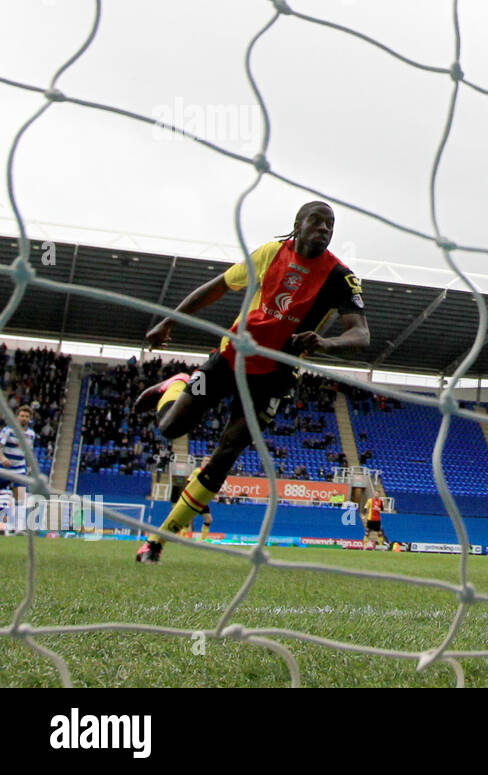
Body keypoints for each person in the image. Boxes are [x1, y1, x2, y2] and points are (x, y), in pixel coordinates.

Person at [131, 201, 370, 563]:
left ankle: (157, 541)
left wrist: (325, 342)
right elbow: (217, 287)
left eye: (330, 224)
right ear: (298, 224)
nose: (324, 229)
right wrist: (169, 322)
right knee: (170, 427)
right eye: (316, 222)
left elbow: (361, 335)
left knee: (226, 453)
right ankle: (176, 383)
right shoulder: (270, 254)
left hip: (274, 378)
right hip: (228, 360)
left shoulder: (340, 277)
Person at [0, 405, 36, 513]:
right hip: (4, 468)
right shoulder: (8, 430)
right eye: (22, 416)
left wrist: (29, 468)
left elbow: (28, 453)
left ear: (29, 419)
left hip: (19, 469)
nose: (24, 418)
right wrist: (3, 458)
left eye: (26, 416)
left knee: (20, 499)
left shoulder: (31, 434)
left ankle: (16, 528)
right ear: (17, 417)